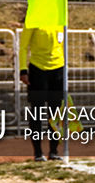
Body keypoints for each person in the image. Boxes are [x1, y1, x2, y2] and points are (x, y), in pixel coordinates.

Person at [19, 25, 66, 161]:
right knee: (37, 112)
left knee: (56, 112)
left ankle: (54, 151)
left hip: (57, 69)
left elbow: (62, 45)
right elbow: (23, 47)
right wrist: (23, 70)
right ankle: (38, 152)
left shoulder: (59, 19)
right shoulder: (33, 20)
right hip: (38, 70)